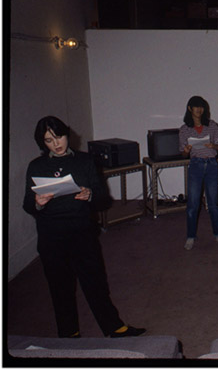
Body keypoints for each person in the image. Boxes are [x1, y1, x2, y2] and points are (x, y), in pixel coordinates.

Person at [23, 116, 146, 338]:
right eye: (49, 141)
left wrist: (90, 195)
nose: (56, 143)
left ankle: (114, 327)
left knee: (96, 283)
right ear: (43, 143)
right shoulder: (36, 166)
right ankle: (69, 334)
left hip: (82, 232)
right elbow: (27, 204)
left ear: (67, 134)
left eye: (59, 136)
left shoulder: (85, 161)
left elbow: (104, 200)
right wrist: (37, 203)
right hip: (51, 236)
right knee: (60, 288)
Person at [179, 96, 218, 250]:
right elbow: (183, 154)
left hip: (212, 165)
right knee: (193, 204)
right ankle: (190, 236)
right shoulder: (184, 129)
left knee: (213, 203)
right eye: (196, 107)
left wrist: (213, 145)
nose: (199, 110)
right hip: (196, 165)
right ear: (190, 108)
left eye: (201, 107)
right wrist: (186, 150)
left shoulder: (212, 125)